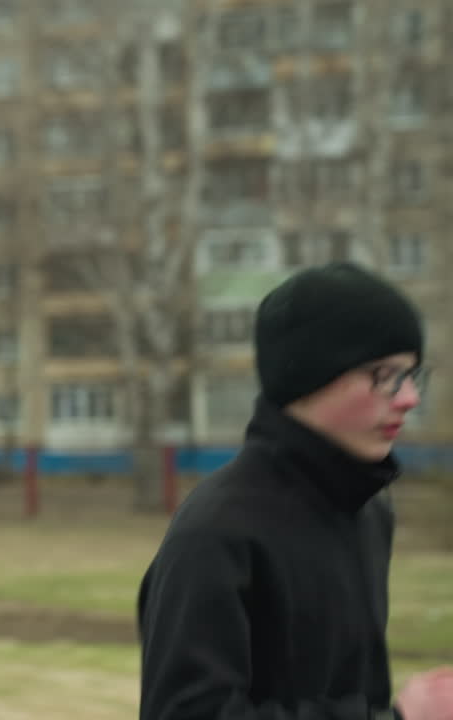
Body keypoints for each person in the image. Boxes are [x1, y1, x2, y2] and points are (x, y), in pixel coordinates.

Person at [138, 261, 453, 720]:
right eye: (385, 375)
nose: (410, 398)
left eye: (412, 375)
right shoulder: (215, 534)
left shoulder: (367, 512)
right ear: (311, 375)